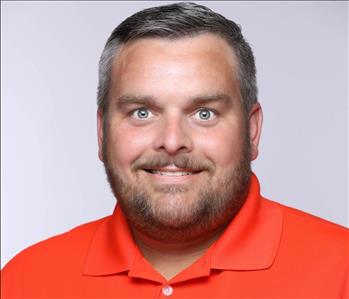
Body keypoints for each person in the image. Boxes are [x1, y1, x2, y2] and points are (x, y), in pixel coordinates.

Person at [2, 2, 348, 298]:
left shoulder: (341, 272)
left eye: (204, 113)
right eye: (142, 112)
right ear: (101, 132)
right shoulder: (23, 281)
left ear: (252, 131)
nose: (171, 141)